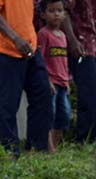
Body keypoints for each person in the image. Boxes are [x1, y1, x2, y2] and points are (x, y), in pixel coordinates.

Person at [0, 0, 51, 155]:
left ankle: (37, 150)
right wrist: (15, 38)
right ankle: (10, 153)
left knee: (43, 93)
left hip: (30, 47)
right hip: (6, 50)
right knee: (7, 105)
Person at [63, 0, 96, 143]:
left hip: (95, 46)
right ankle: (83, 139)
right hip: (81, 45)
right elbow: (65, 12)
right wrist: (72, 40)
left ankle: (90, 138)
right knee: (89, 94)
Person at [37, 0, 70, 151]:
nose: (56, 14)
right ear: (43, 14)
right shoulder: (43, 34)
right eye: (51, 11)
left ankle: (55, 146)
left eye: (59, 10)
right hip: (51, 82)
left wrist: (67, 81)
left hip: (63, 82)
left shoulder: (63, 35)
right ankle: (49, 148)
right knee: (50, 114)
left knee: (64, 116)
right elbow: (41, 59)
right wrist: (47, 80)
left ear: (64, 14)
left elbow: (64, 61)